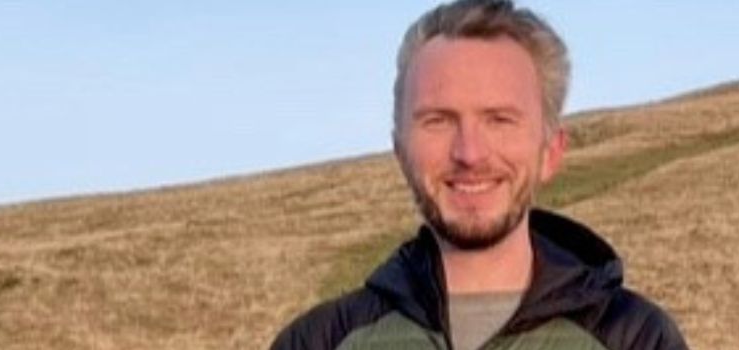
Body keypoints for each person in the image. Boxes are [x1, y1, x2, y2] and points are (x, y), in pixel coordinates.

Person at [270, 1, 689, 349]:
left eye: (500, 119)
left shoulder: (635, 339)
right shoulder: (320, 341)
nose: (469, 152)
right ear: (401, 152)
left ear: (551, 151)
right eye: (438, 120)